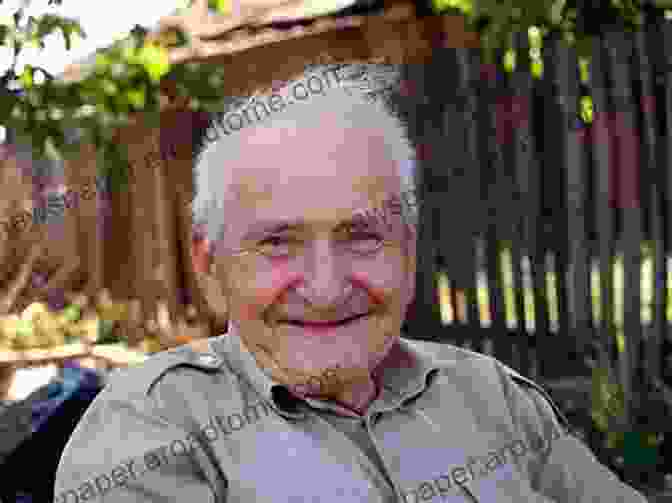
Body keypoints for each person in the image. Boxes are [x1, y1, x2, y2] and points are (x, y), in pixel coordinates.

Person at [54, 63, 647, 503]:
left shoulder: (491, 396)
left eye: (363, 236)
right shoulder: (151, 431)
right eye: (278, 242)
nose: (326, 286)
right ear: (211, 266)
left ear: (408, 250)